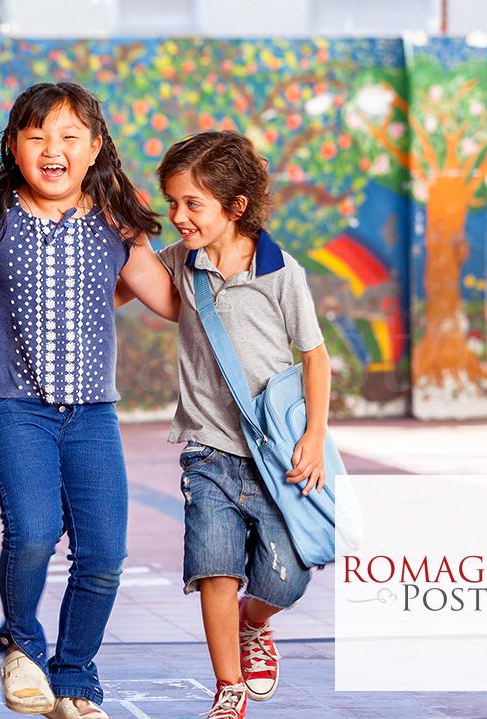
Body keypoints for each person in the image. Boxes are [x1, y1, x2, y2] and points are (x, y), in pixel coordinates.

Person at [0, 82, 177, 719]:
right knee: (34, 532)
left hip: (93, 412)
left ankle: (75, 678)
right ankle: (22, 645)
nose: (54, 149)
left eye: (70, 136)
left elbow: (168, 300)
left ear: (95, 147)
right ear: (15, 148)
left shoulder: (115, 221)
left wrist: (225, 244)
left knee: (104, 553)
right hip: (13, 405)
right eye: (37, 136)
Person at [150, 130, 331, 719]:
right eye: (172, 203)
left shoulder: (282, 274)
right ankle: (228, 689)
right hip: (207, 452)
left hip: (276, 454)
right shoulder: (181, 263)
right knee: (214, 570)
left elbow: (316, 359)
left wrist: (314, 439)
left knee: (284, 579)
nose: (177, 216)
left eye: (192, 204)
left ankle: (257, 623)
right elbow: (123, 279)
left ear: (237, 206)